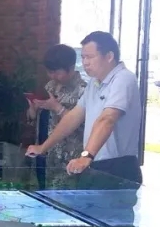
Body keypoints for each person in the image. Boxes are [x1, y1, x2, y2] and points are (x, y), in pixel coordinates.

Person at [27, 31, 143, 185]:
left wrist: (86, 156)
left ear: (109, 56)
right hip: (93, 163)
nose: (85, 62)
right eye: (83, 57)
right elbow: (73, 117)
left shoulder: (123, 78)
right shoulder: (94, 83)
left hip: (116, 166)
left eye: (90, 57)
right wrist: (43, 147)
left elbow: (107, 119)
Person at [27, 44, 87, 186]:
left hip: (66, 160)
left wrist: (56, 107)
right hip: (43, 153)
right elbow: (35, 120)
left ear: (71, 67)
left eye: (57, 72)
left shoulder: (83, 90)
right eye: (50, 72)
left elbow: (83, 124)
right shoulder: (50, 86)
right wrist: (33, 110)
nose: (53, 76)